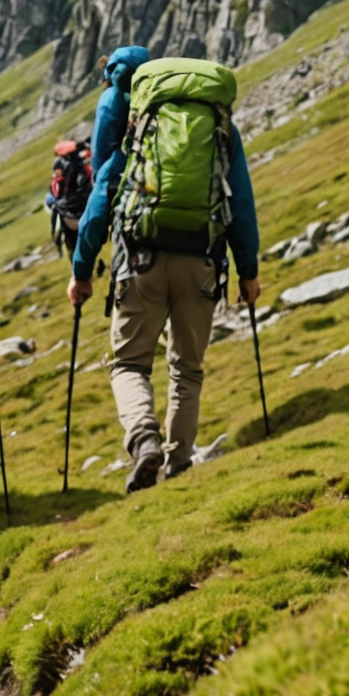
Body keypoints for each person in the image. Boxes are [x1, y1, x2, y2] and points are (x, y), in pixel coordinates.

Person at [67, 51, 260, 493]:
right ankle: (178, 465)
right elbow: (242, 207)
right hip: (203, 260)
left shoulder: (137, 135)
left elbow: (100, 203)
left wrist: (82, 270)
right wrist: (248, 271)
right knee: (186, 369)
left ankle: (144, 438)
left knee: (129, 364)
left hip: (141, 259)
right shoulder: (221, 131)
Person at [45, 138, 93, 256]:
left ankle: (79, 268)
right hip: (81, 201)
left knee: (72, 241)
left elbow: (55, 192)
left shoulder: (59, 164)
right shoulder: (83, 159)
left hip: (67, 206)